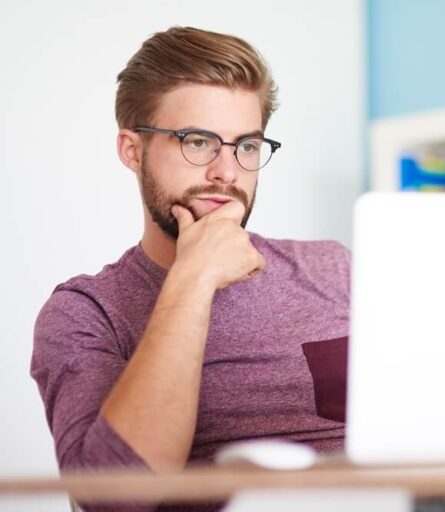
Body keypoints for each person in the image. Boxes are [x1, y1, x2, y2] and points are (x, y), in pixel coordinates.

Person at [30, 26, 350, 493]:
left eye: (247, 146)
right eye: (198, 142)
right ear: (132, 151)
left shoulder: (333, 269)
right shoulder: (84, 312)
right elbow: (113, 497)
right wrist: (194, 277)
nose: (227, 171)